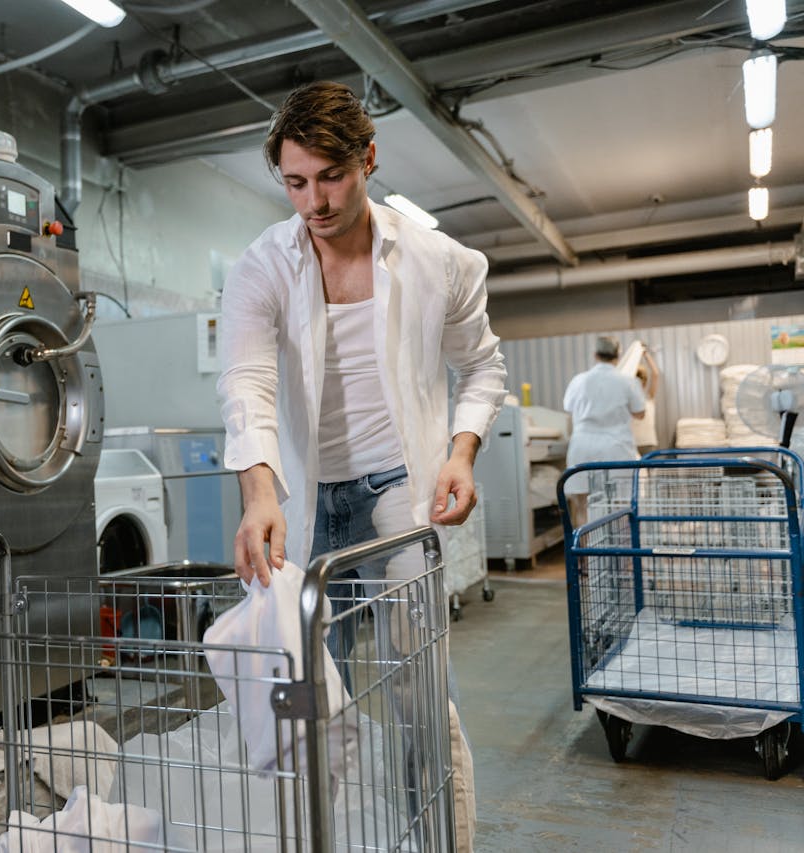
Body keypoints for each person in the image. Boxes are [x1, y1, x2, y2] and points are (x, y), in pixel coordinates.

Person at [217, 80, 506, 853]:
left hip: (397, 494)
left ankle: (442, 838)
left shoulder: (437, 259)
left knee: (419, 691)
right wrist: (259, 491)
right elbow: (247, 380)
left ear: (368, 159)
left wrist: (461, 452)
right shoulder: (263, 265)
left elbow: (482, 369)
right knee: (307, 693)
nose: (314, 200)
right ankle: (323, 838)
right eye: (295, 182)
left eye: (331, 176)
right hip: (308, 499)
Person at [562, 336, 647, 528]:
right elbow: (640, 413)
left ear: (595, 355)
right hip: (616, 449)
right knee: (620, 506)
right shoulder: (627, 382)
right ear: (617, 356)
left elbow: (568, 407)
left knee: (582, 505)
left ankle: (585, 557)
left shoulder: (579, 380)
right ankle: (620, 556)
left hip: (583, 449)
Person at [631, 347, 661, 454]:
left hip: (647, 442)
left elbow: (655, 374)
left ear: (644, 382)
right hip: (631, 443)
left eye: (641, 380)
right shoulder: (627, 399)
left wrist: (645, 354)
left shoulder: (649, 397)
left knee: (649, 471)